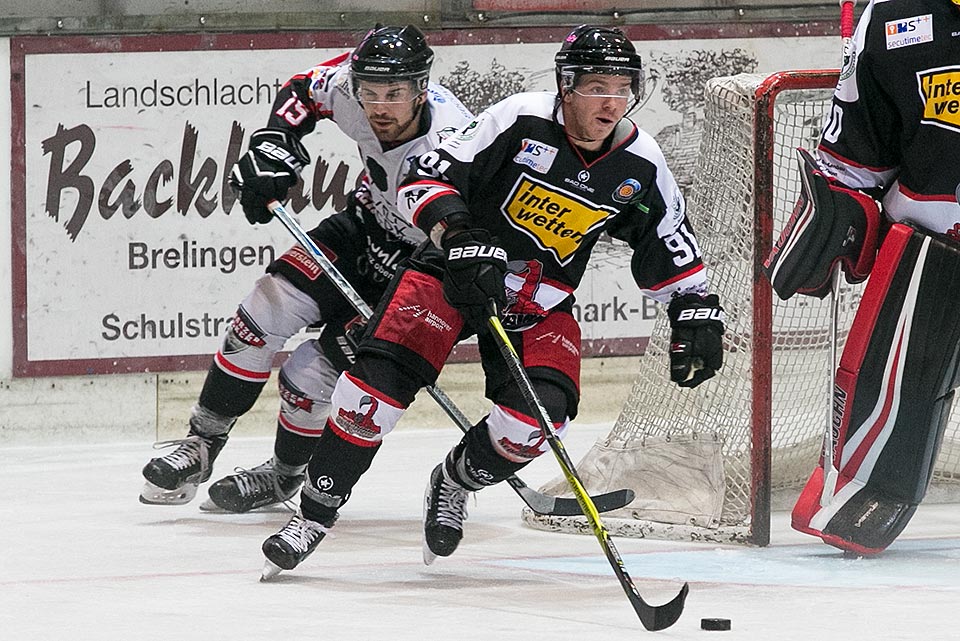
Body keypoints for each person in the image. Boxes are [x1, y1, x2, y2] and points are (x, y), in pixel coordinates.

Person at [259, 25, 725, 576]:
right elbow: (423, 180)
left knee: (534, 425)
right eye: (598, 86)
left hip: (536, 301)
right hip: (452, 275)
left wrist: (693, 309)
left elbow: (670, 245)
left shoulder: (642, 162)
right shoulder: (520, 118)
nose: (612, 102)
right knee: (370, 397)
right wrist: (457, 234)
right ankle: (312, 516)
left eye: (623, 88)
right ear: (567, 86)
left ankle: (452, 481)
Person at [139, 25, 473, 511]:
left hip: (420, 271)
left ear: (423, 88)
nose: (380, 107)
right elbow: (302, 89)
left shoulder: (453, 143)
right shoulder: (347, 89)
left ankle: (282, 477)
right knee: (261, 313)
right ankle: (202, 444)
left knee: (309, 375)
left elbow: (469, 232)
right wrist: (275, 143)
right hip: (362, 229)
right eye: (371, 92)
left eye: (395, 94)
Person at [764, 0, 960, 554]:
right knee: (892, 404)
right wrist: (841, 211)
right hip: (935, 252)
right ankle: (867, 490)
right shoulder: (896, 17)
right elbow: (858, 150)